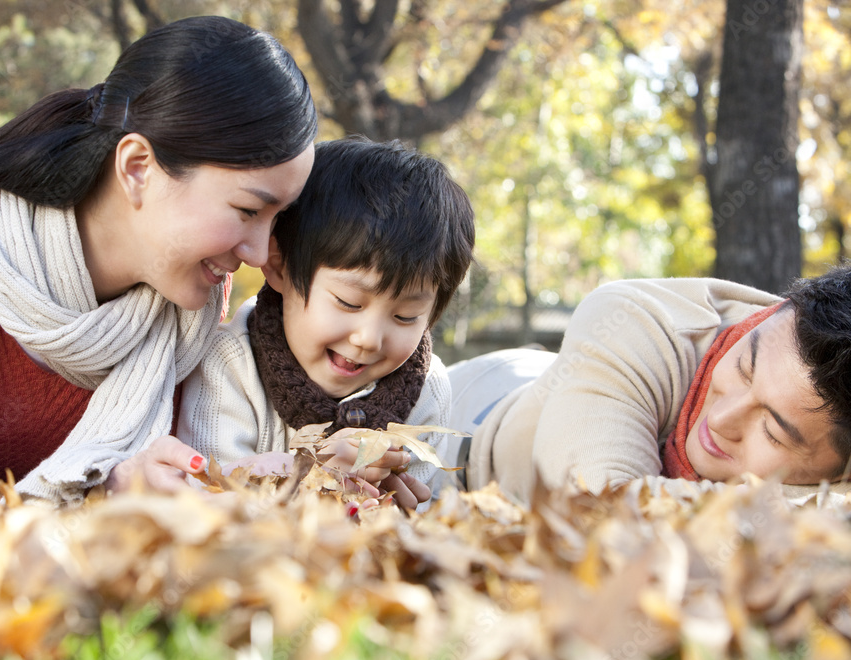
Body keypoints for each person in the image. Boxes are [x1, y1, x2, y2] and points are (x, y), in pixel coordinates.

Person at [0, 16, 318, 507]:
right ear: (137, 167)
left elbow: (170, 493)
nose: (259, 253)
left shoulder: (189, 307)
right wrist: (104, 496)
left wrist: (308, 474)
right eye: (247, 211)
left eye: (276, 219)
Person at [177, 137, 476, 510]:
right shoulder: (229, 364)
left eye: (405, 317)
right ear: (279, 266)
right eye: (349, 302)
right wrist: (316, 481)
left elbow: (421, 507)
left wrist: (397, 517)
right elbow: (210, 500)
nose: (368, 339)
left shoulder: (425, 388)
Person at [445, 267, 851, 503]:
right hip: (468, 417)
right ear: (771, 313)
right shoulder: (630, 319)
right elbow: (603, 512)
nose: (722, 419)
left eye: (773, 431)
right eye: (744, 367)